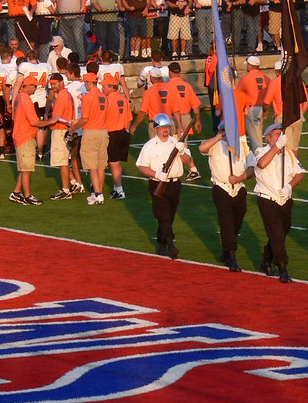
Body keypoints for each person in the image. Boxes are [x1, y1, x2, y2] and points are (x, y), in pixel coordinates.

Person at [135, 113, 195, 258]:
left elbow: (188, 161)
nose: (165, 130)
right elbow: (142, 166)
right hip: (157, 183)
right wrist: (156, 174)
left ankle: (161, 243)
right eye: (162, 127)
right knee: (164, 216)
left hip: (175, 184)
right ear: (156, 129)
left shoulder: (176, 142)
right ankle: (170, 244)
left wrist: (181, 151)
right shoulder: (149, 146)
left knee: (170, 215)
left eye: (167, 127)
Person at [199, 122, 254, 272]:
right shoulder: (214, 145)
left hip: (239, 188)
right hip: (221, 188)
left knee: (237, 220)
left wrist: (240, 178)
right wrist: (218, 137)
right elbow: (202, 148)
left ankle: (226, 248)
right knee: (226, 222)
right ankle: (231, 256)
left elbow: (251, 167)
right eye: (224, 130)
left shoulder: (242, 145)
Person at [253, 122, 304, 283]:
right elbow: (262, 164)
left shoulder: (288, 153)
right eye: (276, 134)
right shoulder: (261, 151)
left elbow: (299, 173)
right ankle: (282, 267)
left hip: (285, 199)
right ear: (268, 138)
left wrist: (289, 186)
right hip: (267, 198)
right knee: (276, 232)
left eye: (282, 134)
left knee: (282, 232)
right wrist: (277, 148)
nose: (280, 137)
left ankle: (266, 259)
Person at [9, 75, 57, 205]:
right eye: (35, 86)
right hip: (25, 137)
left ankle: (16, 192)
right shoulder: (25, 100)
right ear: (28, 86)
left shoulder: (19, 97)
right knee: (27, 169)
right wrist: (50, 121)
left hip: (21, 135)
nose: (36, 88)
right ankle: (27, 196)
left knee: (25, 168)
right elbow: (34, 121)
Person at [70, 72, 110, 204]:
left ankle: (98, 194)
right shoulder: (103, 96)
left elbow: (85, 118)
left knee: (92, 165)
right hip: (103, 131)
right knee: (101, 166)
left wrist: (73, 128)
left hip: (91, 132)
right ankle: (99, 192)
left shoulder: (88, 97)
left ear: (89, 83)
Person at [46, 72, 77, 200]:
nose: (53, 86)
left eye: (54, 83)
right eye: (51, 84)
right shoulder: (67, 94)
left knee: (62, 161)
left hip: (60, 130)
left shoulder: (62, 96)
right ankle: (74, 182)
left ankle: (65, 190)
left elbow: (57, 117)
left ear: (61, 82)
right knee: (63, 160)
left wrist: (47, 122)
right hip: (65, 130)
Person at [102, 73, 133, 200]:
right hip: (123, 133)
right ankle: (116, 189)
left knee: (113, 163)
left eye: (104, 86)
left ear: (111, 87)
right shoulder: (123, 99)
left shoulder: (108, 100)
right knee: (117, 163)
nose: (102, 89)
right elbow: (129, 118)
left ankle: (119, 190)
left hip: (112, 133)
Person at [237, 55, 269, 150]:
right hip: (263, 108)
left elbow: (238, 94)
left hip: (251, 108)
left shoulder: (245, 78)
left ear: (250, 66)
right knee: (258, 134)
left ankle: (259, 155)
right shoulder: (266, 78)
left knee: (255, 139)